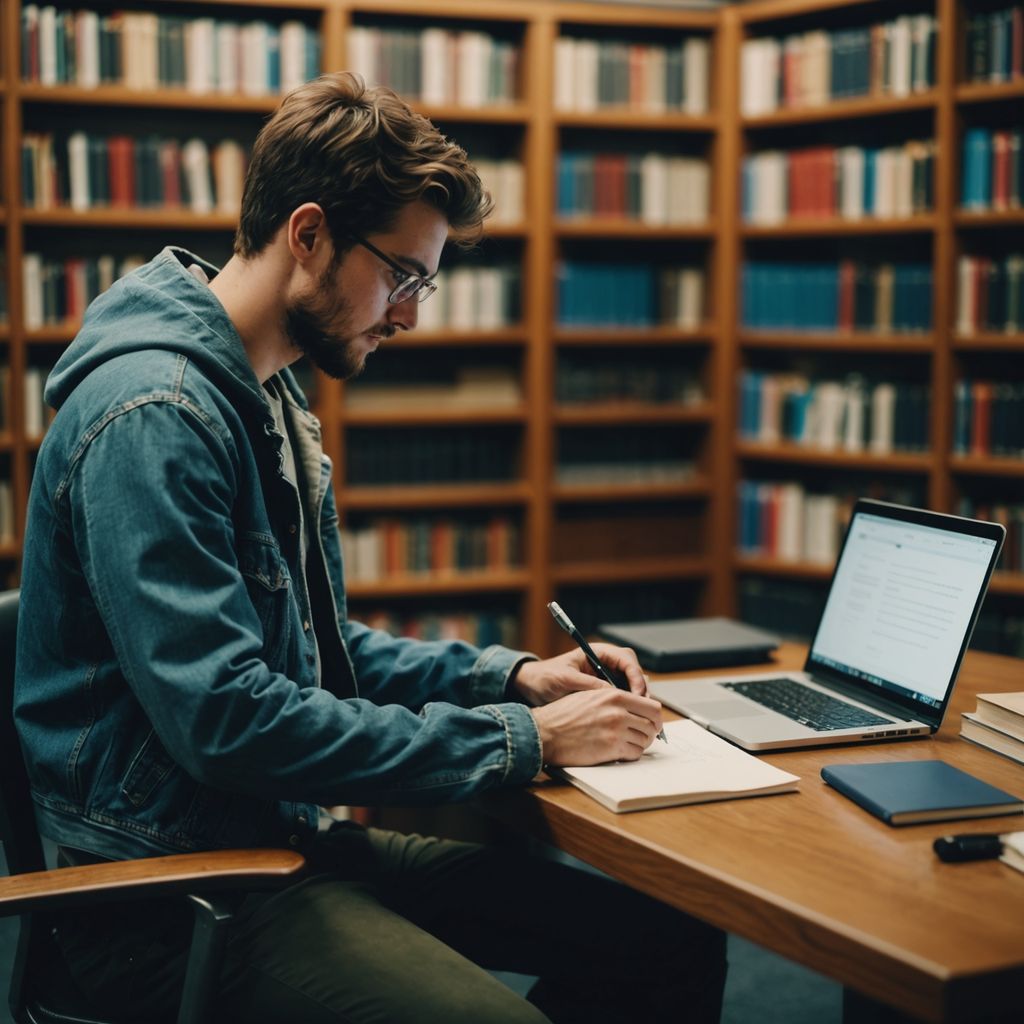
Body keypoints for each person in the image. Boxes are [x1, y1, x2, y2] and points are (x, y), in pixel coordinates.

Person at [14, 72, 727, 1023]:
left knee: (670, 939)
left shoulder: (260, 391)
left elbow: (309, 650)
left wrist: (510, 681)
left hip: (276, 841)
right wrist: (521, 742)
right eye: (403, 275)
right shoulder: (160, 414)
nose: (410, 315)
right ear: (308, 235)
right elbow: (228, 717)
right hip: (169, 894)